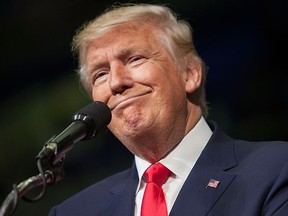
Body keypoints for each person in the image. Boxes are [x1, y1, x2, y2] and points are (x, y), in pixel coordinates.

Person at [49, 3, 288, 216]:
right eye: (100, 74)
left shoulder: (275, 169)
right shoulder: (73, 211)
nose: (116, 82)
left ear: (189, 74)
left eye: (135, 59)